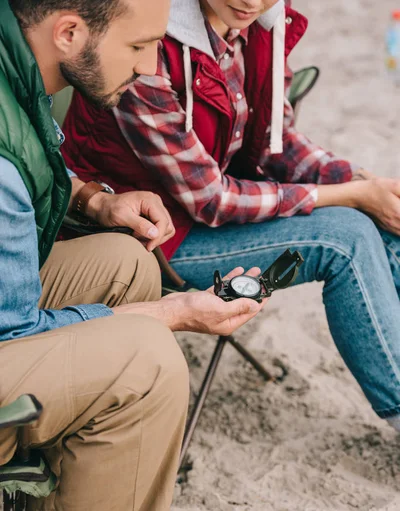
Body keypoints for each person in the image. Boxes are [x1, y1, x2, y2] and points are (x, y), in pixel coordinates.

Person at [0, 1, 267, 511]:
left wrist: (96, 201)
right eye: (140, 46)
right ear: (68, 33)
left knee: (122, 261)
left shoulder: (14, 56)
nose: (151, 68)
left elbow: (31, 152)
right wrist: (174, 314)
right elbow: (14, 337)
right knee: (146, 363)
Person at [62, 0, 400, 430]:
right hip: (148, 238)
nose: (251, 1)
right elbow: (212, 200)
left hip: (208, 210)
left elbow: (279, 141)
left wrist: (361, 182)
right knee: (346, 237)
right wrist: (350, 195)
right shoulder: (146, 42)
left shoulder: (262, 23)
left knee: (388, 218)